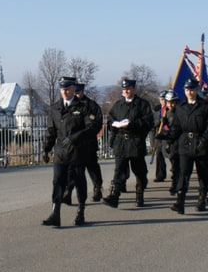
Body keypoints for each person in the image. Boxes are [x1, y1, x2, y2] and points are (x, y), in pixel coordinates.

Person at [41, 76, 102, 227]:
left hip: (78, 151)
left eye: (67, 89)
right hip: (61, 151)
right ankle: (55, 213)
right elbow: (51, 131)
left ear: (74, 89)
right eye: (62, 89)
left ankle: (81, 211)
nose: (65, 92)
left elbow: (92, 127)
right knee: (57, 182)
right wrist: (46, 148)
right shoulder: (55, 108)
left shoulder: (83, 107)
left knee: (79, 180)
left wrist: (75, 138)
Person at [163, 78, 208, 213]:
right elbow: (176, 127)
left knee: (202, 173)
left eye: (192, 90)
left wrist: (204, 141)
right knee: (184, 173)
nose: (190, 93)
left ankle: (202, 198)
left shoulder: (205, 107)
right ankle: (180, 201)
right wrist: (168, 139)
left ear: (196, 90)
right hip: (185, 144)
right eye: (187, 90)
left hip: (201, 143)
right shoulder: (181, 108)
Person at [103, 78, 154, 208]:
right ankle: (114, 196)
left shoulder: (142, 105)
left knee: (139, 170)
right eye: (124, 89)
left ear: (134, 89)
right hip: (121, 142)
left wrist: (133, 125)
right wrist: (114, 125)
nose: (126, 91)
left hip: (135, 141)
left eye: (129, 89)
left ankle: (139, 194)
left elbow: (148, 122)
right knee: (119, 170)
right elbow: (110, 119)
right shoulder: (118, 105)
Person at [61, 82, 104, 203]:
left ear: (82, 92)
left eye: (78, 93)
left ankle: (97, 187)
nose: (76, 95)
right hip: (75, 146)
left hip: (88, 143)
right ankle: (68, 192)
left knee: (92, 167)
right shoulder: (70, 106)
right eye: (74, 93)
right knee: (73, 170)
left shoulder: (91, 105)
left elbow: (97, 123)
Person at [156, 90, 181, 195]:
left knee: (178, 166)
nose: (170, 104)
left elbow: (175, 131)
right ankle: (175, 184)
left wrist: (164, 136)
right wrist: (162, 122)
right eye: (168, 102)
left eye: (173, 102)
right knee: (174, 164)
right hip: (171, 142)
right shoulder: (167, 112)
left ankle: (177, 185)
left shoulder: (179, 113)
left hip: (179, 142)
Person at [152, 91, 170, 183]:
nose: (164, 102)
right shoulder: (157, 110)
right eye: (162, 99)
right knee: (159, 154)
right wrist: (159, 121)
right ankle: (160, 175)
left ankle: (175, 172)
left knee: (170, 154)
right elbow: (154, 124)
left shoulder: (170, 109)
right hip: (160, 134)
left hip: (169, 134)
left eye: (165, 100)